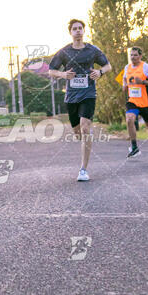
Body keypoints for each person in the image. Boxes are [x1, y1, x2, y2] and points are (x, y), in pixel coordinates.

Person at [49, 19, 111, 181]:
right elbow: (51, 71)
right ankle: (83, 142)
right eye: (74, 29)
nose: (77, 31)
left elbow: (108, 66)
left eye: (80, 28)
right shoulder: (64, 52)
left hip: (89, 94)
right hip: (71, 97)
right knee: (78, 133)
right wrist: (63, 74)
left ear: (84, 31)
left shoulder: (92, 50)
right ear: (70, 33)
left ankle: (83, 169)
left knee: (85, 128)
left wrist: (100, 72)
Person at [123, 46, 148, 157]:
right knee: (129, 119)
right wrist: (124, 86)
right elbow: (125, 79)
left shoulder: (146, 67)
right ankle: (134, 147)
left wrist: (143, 82)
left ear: (140, 56)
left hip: (145, 102)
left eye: (135, 55)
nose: (133, 57)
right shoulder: (127, 67)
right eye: (131, 55)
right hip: (132, 101)